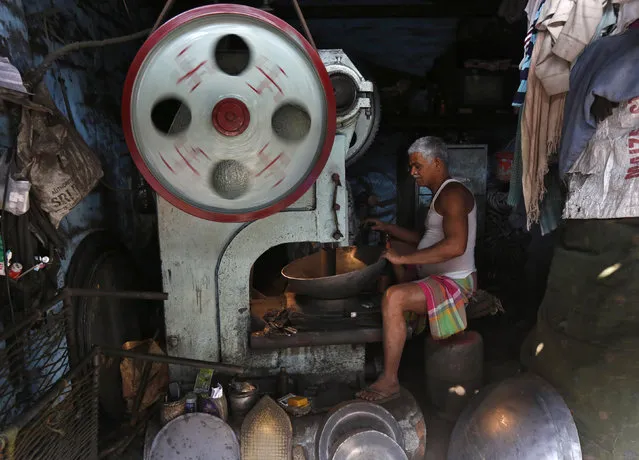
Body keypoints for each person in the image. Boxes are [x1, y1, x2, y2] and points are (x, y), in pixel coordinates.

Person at [356, 136, 477, 403]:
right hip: (437, 277)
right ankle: (400, 329)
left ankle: (389, 381)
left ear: (436, 163)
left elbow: (456, 246)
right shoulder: (441, 195)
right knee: (394, 248)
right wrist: (387, 228)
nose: (412, 172)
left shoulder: (453, 194)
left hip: (454, 284)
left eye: (417, 166)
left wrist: (404, 260)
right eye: (411, 167)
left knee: (393, 297)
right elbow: (424, 239)